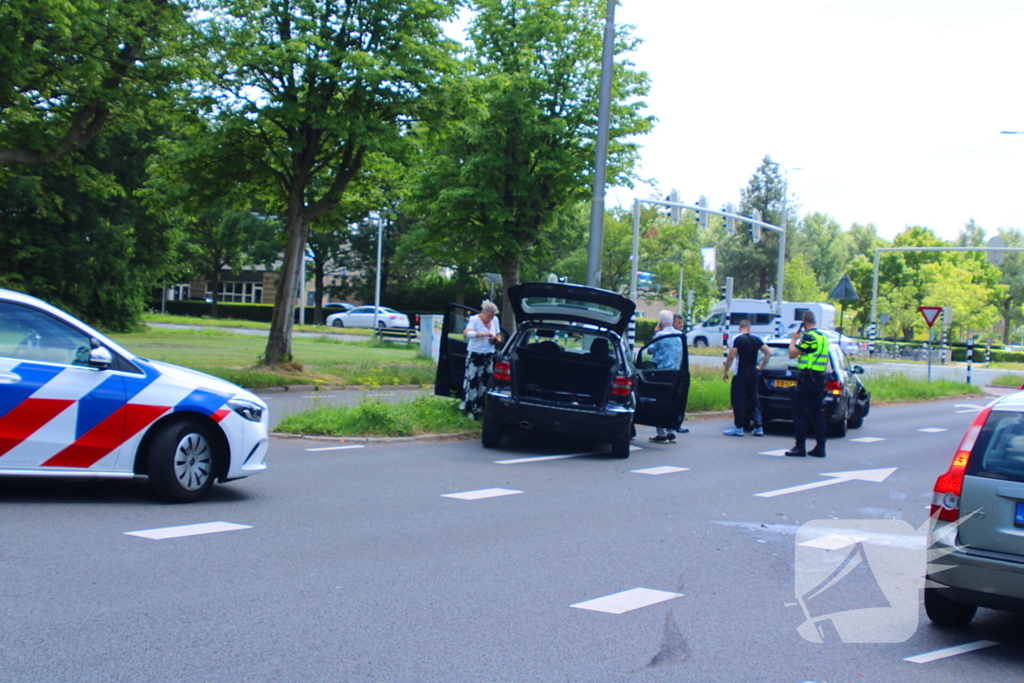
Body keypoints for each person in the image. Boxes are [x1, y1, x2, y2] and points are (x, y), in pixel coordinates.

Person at [786, 310, 830, 457]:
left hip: (806, 380)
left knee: (799, 412)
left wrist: (793, 338)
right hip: (819, 379)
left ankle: (800, 446)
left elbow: (792, 353)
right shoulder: (823, 337)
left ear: (803, 324)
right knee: (816, 412)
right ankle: (821, 446)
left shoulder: (808, 337)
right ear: (815, 322)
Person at [722, 319, 771, 437]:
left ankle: (739, 427)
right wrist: (761, 367)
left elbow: (731, 356)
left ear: (740, 328)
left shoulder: (737, 339)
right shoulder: (757, 339)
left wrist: (725, 371)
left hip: (741, 373)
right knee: (753, 399)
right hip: (753, 373)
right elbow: (768, 353)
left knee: (737, 399)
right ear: (749, 328)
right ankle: (759, 426)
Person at [461, 301, 501, 419]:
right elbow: (466, 334)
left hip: (488, 354)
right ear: (483, 312)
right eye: (489, 316)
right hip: (475, 354)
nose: (491, 319)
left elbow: (498, 335)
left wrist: (495, 340)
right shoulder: (475, 320)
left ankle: (481, 408)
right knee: (472, 381)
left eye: (493, 316)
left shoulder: (495, 320)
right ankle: (470, 408)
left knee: (485, 382)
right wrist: (483, 334)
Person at [649, 310, 684, 443]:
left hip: (661, 373)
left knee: (661, 402)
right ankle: (672, 430)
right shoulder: (680, 335)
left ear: (661, 321)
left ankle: (662, 433)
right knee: (673, 402)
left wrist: (656, 333)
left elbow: (650, 349)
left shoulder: (660, 335)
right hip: (677, 373)